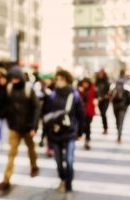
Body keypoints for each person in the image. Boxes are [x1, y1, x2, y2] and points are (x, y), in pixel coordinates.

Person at [0, 66, 40, 191]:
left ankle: (34, 166)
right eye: (12, 78)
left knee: (31, 149)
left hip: (27, 127)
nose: (14, 80)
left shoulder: (28, 90)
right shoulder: (9, 89)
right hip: (14, 127)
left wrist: (34, 127)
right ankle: (6, 179)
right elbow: (5, 104)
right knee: (11, 154)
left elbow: (36, 108)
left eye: (16, 78)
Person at [44, 70, 84, 200]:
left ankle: (68, 187)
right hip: (55, 133)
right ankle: (62, 178)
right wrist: (45, 133)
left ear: (67, 80)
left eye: (61, 79)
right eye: (57, 79)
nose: (58, 81)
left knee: (70, 160)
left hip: (70, 132)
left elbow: (81, 114)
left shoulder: (74, 95)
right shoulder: (52, 95)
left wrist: (81, 132)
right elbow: (46, 114)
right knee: (59, 162)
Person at [111, 78, 130, 144]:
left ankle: (119, 136)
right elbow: (111, 99)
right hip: (117, 108)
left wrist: (125, 106)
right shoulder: (114, 90)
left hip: (122, 108)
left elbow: (129, 100)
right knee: (118, 122)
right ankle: (119, 133)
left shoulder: (126, 91)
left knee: (120, 122)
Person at [78, 78, 96, 150]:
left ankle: (87, 140)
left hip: (89, 111)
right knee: (83, 126)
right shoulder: (79, 90)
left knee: (87, 126)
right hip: (81, 111)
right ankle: (84, 137)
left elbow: (94, 98)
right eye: (84, 83)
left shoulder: (92, 90)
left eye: (86, 83)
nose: (85, 85)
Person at [95, 69, 110, 134]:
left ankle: (105, 128)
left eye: (101, 74)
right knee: (102, 114)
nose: (100, 75)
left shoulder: (107, 82)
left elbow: (109, 92)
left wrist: (106, 96)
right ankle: (104, 127)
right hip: (99, 100)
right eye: (99, 74)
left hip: (105, 100)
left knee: (103, 113)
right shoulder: (96, 82)